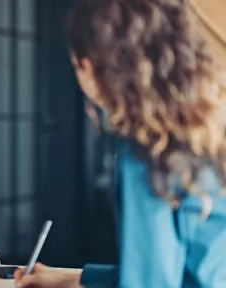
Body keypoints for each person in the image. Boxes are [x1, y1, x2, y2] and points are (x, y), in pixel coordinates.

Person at [15, 0, 226, 287]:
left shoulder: (147, 152)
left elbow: (150, 282)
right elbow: (180, 266)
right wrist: (71, 277)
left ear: (88, 67)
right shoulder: (207, 128)